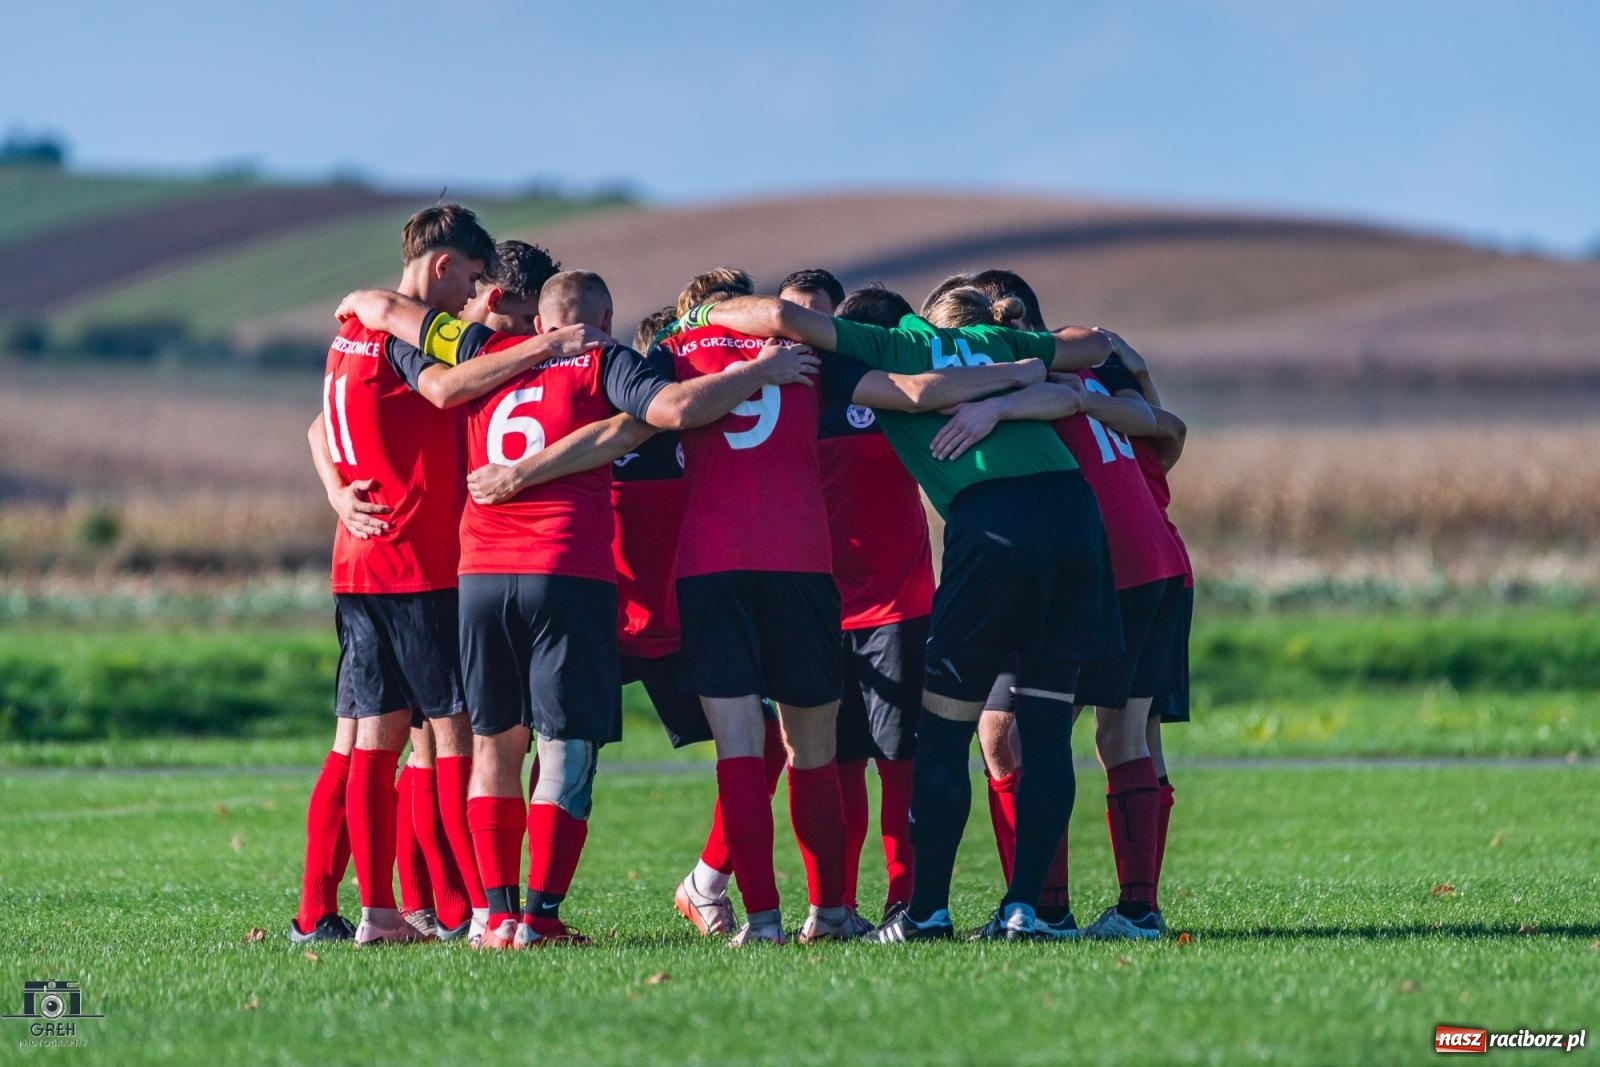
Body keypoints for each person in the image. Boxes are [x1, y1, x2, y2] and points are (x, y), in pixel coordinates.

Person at [334, 266, 818, 948]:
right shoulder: (606, 359)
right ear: (605, 318)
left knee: (492, 745)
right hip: (570, 577)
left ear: (539, 322)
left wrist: (363, 302)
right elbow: (671, 411)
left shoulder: (482, 353)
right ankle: (539, 916)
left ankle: (489, 915)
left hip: (481, 577)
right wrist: (761, 370)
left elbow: (398, 320)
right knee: (567, 749)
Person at [685, 286, 1125, 940]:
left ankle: (925, 912)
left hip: (994, 523)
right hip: (1075, 518)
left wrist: (699, 314)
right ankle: (1032, 909)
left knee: (943, 732)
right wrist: (1018, 381)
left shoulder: (885, 346)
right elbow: (1090, 344)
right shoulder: (991, 338)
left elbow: (784, 320)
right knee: (1048, 723)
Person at [928, 270, 1188, 940]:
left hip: (1106, 560)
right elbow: (1168, 431)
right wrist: (1137, 373)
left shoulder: (1024, 375)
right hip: (1157, 557)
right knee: (1121, 734)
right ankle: (1132, 910)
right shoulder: (1094, 371)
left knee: (1010, 732)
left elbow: (1066, 402)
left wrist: (991, 407)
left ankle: (1045, 905)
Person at [294, 204, 495, 946]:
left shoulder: (351, 334)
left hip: (360, 565)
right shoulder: (395, 329)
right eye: (471, 278)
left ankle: (372, 912)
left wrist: (334, 491)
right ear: (442, 265)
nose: (471, 296)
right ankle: (478, 907)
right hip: (416, 562)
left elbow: (318, 427)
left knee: (368, 740)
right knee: (451, 734)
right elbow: (450, 379)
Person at [780, 268, 927, 921]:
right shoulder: (799, 399)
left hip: (898, 603)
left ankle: (904, 900)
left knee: (897, 762)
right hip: (822, 602)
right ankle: (833, 906)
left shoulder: (909, 397)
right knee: (838, 762)